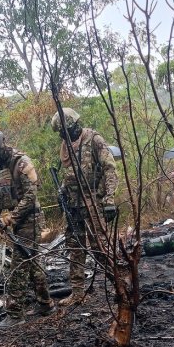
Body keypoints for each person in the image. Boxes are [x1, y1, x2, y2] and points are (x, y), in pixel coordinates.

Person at [0, 129, 54, 329]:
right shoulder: (1, 168)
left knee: (18, 267)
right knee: (33, 262)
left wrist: (11, 217)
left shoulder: (22, 163)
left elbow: (30, 197)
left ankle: (15, 313)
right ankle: (46, 304)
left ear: (0, 148)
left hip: (30, 220)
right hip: (19, 222)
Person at [50, 107, 118, 307]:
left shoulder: (94, 140)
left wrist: (109, 199)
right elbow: (69, 175)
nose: (63, 136)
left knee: (100, 248)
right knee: (75, 249)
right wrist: (62, 191)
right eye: (61, 134)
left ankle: (119, 286)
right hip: (73, 205)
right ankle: (78, 293)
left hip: (93, 203)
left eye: (64, 131)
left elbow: (110, 169)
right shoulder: (66, 146)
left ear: (74, 126)